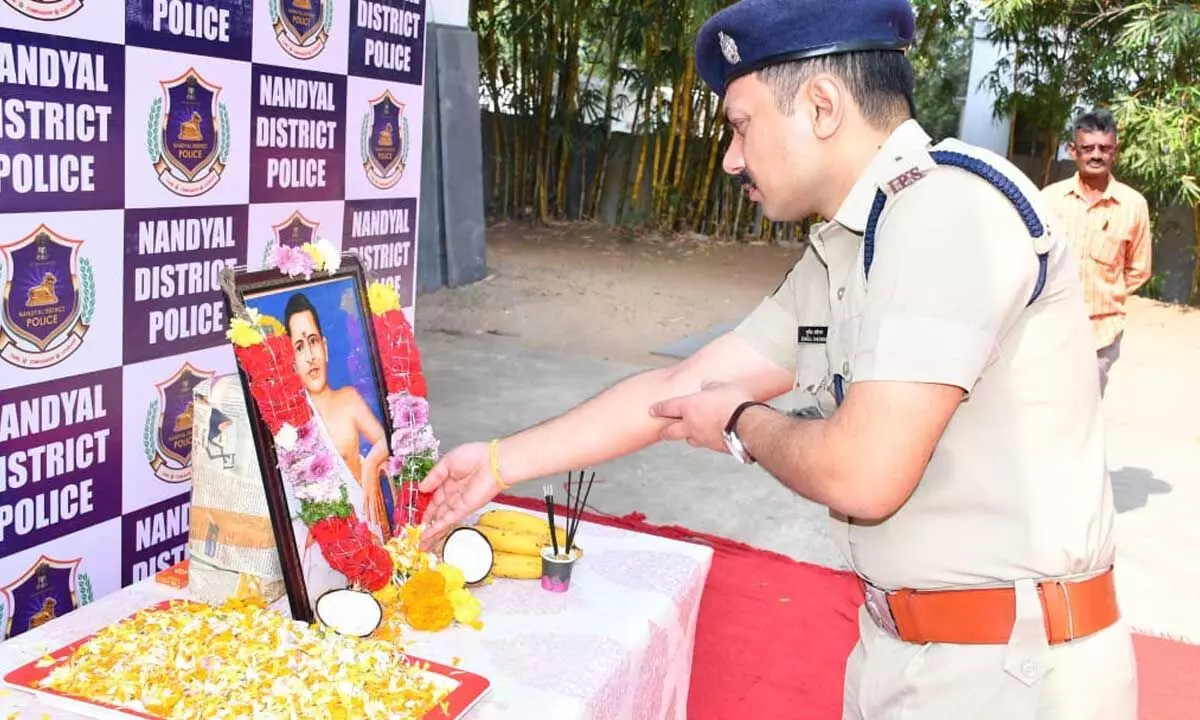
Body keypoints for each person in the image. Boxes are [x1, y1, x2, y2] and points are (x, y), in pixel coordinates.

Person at [418, 0, 1136, 716]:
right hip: (910, 654)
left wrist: (740, 422)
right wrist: (500, 462)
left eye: (740, 125)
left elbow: (862, 473)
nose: (731, 159)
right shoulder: (849, 247)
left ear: (821, 106)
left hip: (1015, 678)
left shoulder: (946, 210)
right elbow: (679, 386)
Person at [1041, 108, 1152, 396]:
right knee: (1042, 404)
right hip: (1049, 328)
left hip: (1101, 335)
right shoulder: (1049, 199)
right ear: (1072, 150)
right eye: (1087, 148)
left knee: (1085, 413)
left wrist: (1105, 295)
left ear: (1116, 150)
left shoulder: (1133, 205)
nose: (1096, 155)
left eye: (1104, 148)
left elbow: (1139, 269)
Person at [284, 292, 392, 533]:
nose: (310, 357)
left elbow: (390, 441)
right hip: (317, 543)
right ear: (291, 361)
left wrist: (371, 463)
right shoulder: (288, 425)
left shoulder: (348, 400)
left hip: (365, 531)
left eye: (313, 342)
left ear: (325, 347)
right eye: (299, 347)